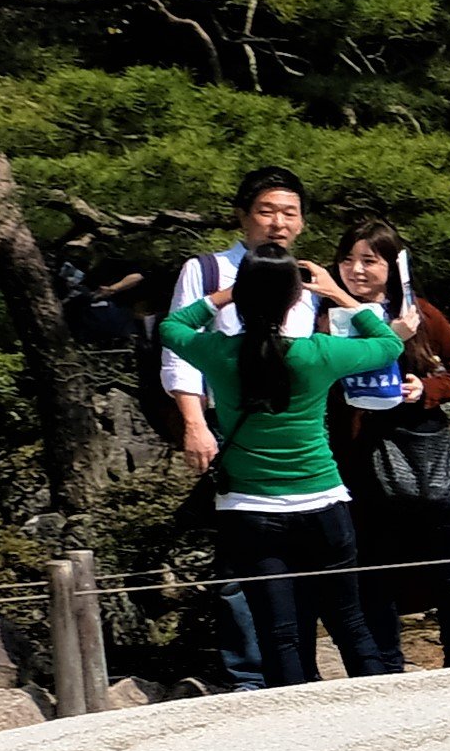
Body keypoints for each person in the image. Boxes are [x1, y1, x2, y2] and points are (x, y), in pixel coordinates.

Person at [157, 255, 406, 687]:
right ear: (295, 301)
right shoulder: (317, 353)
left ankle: (294, 735)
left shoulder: (220, 352)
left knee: (280, 636)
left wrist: (224, 295)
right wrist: (337, 293)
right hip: (323, 502)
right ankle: (382, 718)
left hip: (249, 510)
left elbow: (171, 327)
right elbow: (389, 343)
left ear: (242, 299)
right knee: (351, 623)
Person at [156, 169, 308, 691]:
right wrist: (195, 426)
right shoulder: (207, 271)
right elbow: (179, 354)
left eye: (290, 213)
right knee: (241, 554)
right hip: (232, 428)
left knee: (303, 551)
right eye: (267, 211)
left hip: (299, 427)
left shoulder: (309, 279)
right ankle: (249, 674)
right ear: (243, 216)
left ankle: (297, 666)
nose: (278, 223)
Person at [330, 223, 450, 670]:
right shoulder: (326, 316)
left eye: (370, 260)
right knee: (376, 567)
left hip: (423, 453)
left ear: (394, 266)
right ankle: (389, 664)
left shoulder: (420, 313)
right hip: (359, 455)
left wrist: (428, 387)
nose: (356, 270)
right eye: (348, 259)